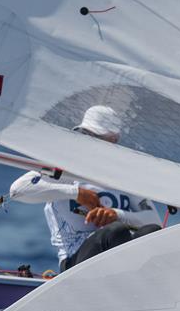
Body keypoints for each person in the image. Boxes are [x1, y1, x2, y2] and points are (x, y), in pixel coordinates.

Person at [10, 105, 161, 272]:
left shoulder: (124, 175)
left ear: (114, 140)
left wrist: (117, 214)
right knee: (115, 232)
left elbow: (154, 221)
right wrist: (76, 193)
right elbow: (18, 190)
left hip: (121, 261)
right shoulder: (65, 167)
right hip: (75, 262)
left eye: (106, 139)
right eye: (90, 136)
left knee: (151, 231)